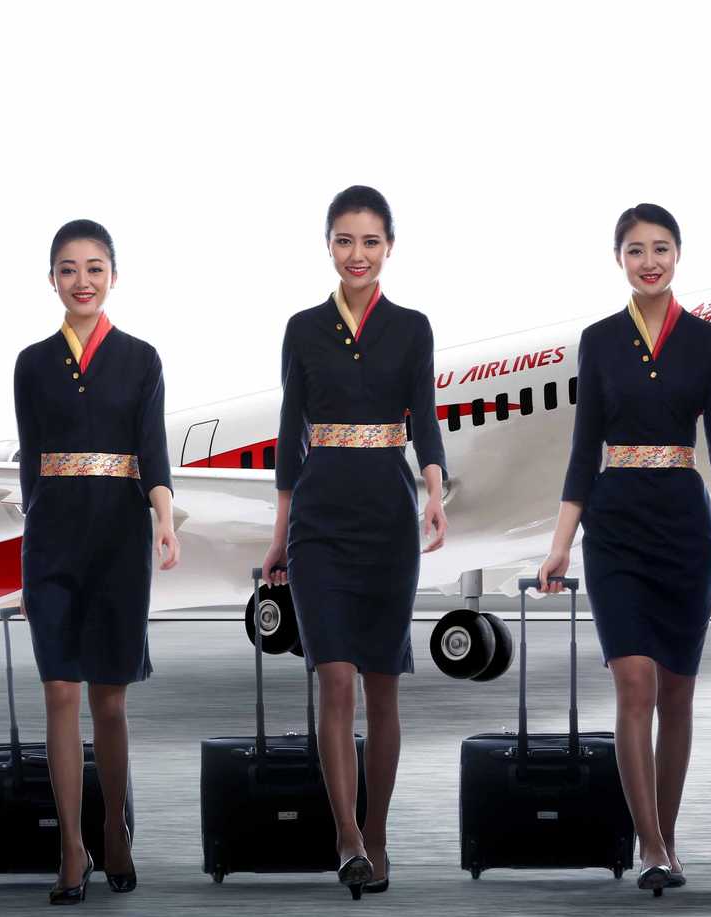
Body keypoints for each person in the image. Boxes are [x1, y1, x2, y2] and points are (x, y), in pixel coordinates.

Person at [536, 203, 711, 893]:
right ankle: (652, 847)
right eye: (635, 249)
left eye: (660, 248)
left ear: (678, 255)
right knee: (635, 683)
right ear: (619, 258)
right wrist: (560, 546)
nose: (649, 260)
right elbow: (581, 453)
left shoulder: (708, 342)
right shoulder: (597, 341)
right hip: (616, 526)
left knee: (678, 694)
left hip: (686, 528)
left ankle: (670, 834)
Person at [260, 185, 448, 897]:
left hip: (388, 517)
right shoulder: (303, 328)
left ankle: (379, 833)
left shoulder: (411, 327)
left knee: (382, 683)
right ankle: (345, 837)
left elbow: (425, 419)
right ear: (329, 246)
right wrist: (278, 535)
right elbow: (287, 437)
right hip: (319, 519)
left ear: (389, 247)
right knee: (333, 677)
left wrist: (433, 489)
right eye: (344, 240)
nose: (357, 254)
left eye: (370, 241)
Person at [13, 219, 179, 905]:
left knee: (109, 698)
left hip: (119, 538)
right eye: (68, 268)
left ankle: (114, 826)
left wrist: (164, 519)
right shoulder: (30, 362)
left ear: (113, 275)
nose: (82, 280)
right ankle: (72, 848)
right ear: (51, 278)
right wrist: (34, 533)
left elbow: (153, 454)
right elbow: (31, 468)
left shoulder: (141, 360)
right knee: (59, 691)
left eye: (94, 267)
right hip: (51, 540)